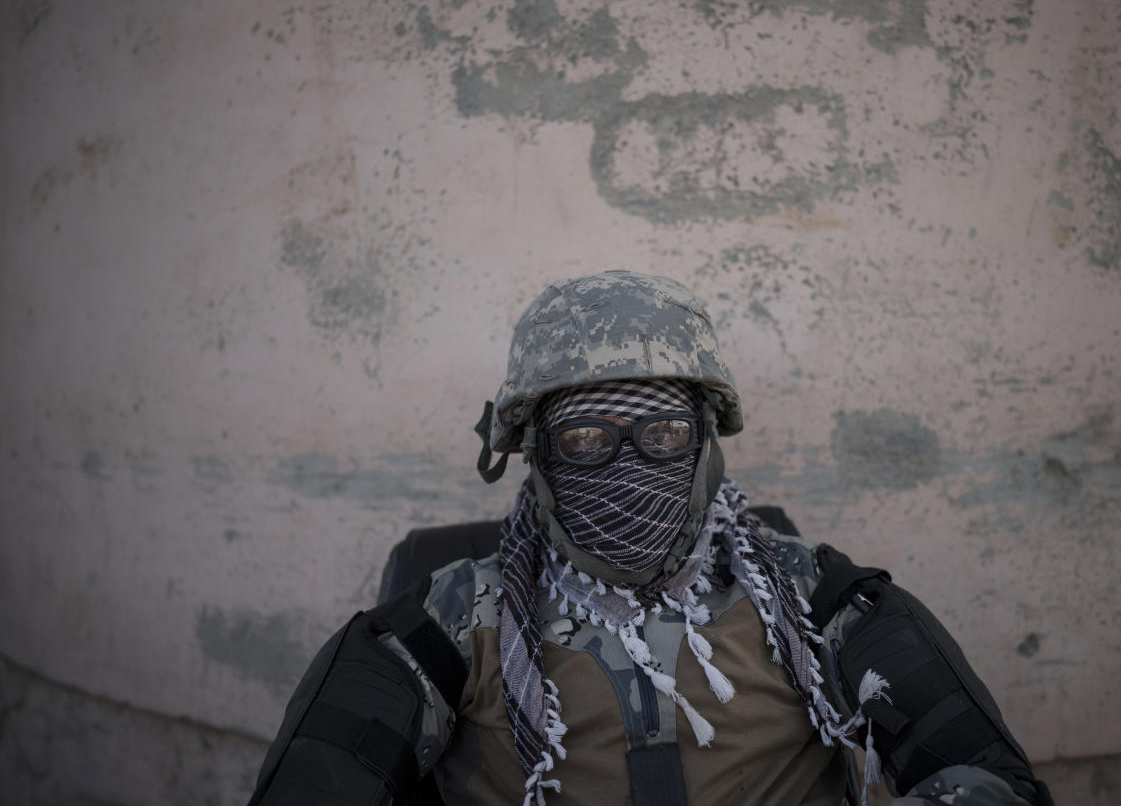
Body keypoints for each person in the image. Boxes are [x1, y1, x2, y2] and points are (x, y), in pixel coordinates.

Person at [248, 271, 1053, 806]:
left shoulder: (817, 601)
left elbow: (985, 777)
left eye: (662, 432)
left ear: (704, 443)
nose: (626, 466)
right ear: (537, 456)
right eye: (588, 441)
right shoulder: (453, 620)